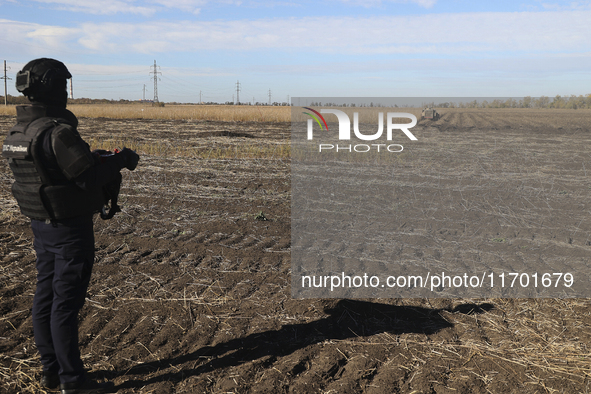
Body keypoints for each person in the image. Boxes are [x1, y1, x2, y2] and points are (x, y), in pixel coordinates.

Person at [1, 58, 139, 394]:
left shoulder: (18, 133)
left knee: (45, 298)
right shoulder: (58, 132)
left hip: (42, 227)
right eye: (64, 85)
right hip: (69, 232)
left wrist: (96, 159)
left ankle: (52, 372)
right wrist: (120, 160)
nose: (66, 93)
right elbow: (88, 178)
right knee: (65, 304)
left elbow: (58, 172)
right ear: (52, 87)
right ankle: (73, 382)